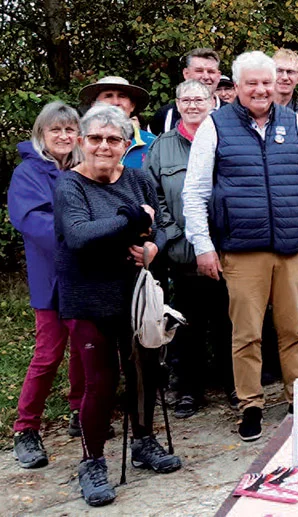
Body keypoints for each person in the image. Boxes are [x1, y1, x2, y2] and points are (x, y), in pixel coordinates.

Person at [181, 51, 298, 442]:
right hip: (242, 247)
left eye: (267, 82)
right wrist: (203, 244)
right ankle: (250, 404)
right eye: (252, 83)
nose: (261, 89)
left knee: (293, 328)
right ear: (237, 86)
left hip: (291, 244)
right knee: (246, 332)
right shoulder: (215, 126)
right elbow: (195, 191)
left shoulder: (295, 122)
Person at [54, 105, 182, 506]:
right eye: (95, 139)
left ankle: (143, 441)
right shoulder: (69, 186)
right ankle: (92, 462)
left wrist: (151, 246)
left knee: (145, 371)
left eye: (113, 140)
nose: (104, 147)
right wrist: (130, 220)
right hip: (87, 296)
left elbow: (157, 221)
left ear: (127, 145)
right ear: (80, 142)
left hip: (135, 293)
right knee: (101, 380)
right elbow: (79, 236)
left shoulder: (140, 179)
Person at [144, 80, 232, 418]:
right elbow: (154, 197)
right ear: (177, 104)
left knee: (230, 323)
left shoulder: (226, 137)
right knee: (188, 326)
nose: (193, 105)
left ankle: (234, 385)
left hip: (227, 249)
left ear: (213, 102)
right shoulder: (162, 147)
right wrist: (179, 236)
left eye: (200, 99)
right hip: (183, 252)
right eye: (186, 99)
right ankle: (189, 391)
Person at [9, 101, 85, 469]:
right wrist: (82, 238)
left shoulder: (85, 168)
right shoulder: (29, 173)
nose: (63, 136)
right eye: (56, 130)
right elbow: (31, 220)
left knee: (86, 349)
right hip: (51, 276)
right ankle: (26, 428)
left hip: (88, 275)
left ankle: (79, 411)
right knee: (48, 353)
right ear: (42, 134)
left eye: (70, 129)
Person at [78, 76, 155, 169]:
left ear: (132, 106)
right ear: (94, 105)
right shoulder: (78, 142)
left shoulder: (153, 143)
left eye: (122, 96)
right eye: (108, 96)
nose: (115, 102)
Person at [148, 48, 222, 135]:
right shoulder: (165, 115)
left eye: (211, 71)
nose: (205, 76)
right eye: (199, 71)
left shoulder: (232, 113)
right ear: (186, 74)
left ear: (218, 76)